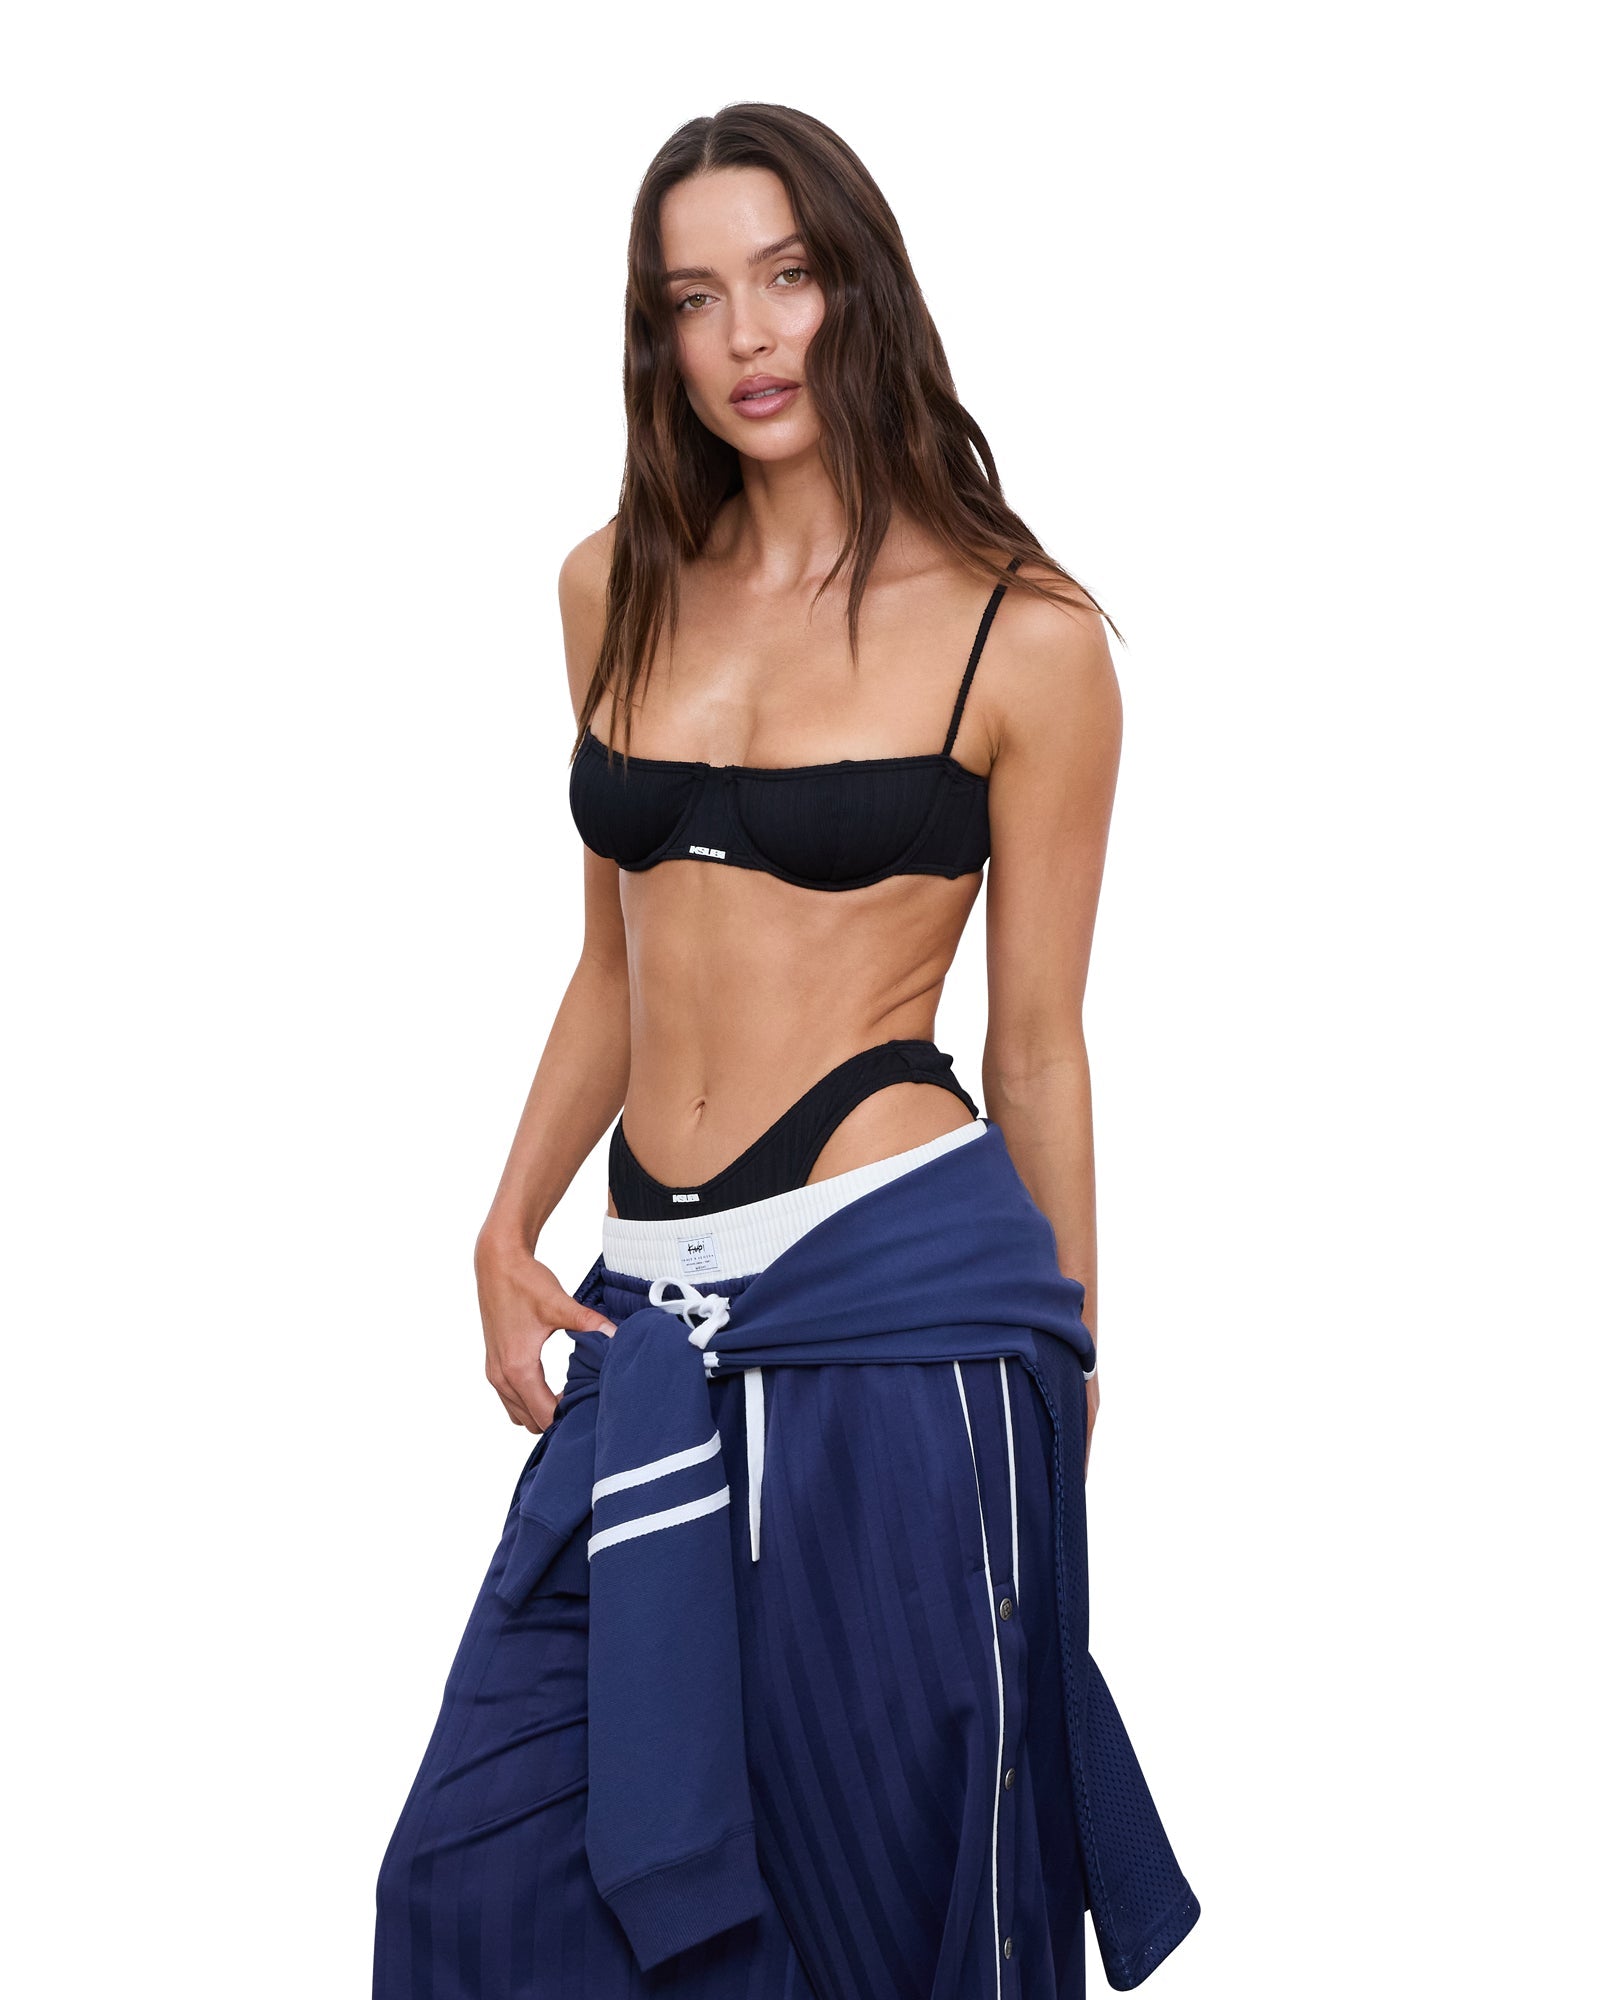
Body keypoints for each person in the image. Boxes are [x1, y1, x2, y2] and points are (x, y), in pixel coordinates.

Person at [374, 102, 1200, 2000]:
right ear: (655, 335)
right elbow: (616, 964)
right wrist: (503, 1224)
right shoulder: (610, 585)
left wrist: (1073, 1354)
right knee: (475, 1879)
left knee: (882, 1874)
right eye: (693, 298)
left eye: (787, 277)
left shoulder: (1024, 638)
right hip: (647, 1312)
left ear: (859, 289)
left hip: (901, 1310)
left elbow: (1040, 1045)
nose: (745, 335)